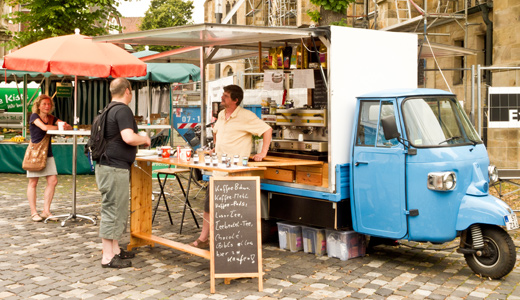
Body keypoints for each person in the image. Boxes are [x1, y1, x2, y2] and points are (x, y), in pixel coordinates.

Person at [190, 84, 273, 249]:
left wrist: (263, 153)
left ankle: (229, 241)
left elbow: (267, 130)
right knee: (209, 204)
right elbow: (217, 132)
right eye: (223, 95)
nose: (222, 98)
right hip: (218, 168)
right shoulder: (221, 114)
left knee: (230, 208)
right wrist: (215, 147)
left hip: (235, 172)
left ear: (235, 100)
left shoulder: (246, 116)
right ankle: (204, 237)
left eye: (226, 96)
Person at [96, 78, 151, 268]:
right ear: (128, 90)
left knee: (115, 208)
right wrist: (144, 138)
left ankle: (115, 250)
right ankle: (108, 257)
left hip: (106, 166)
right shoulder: (123, 110)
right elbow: (128, 138)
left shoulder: (107, 110)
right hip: (114, 167)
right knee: (112, 209)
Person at [27, 94, 72, 222]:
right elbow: (45, 128)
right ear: (38, 106)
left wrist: (66, 126)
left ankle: (46, 211)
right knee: (33, 182)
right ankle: (33, 212)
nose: (47, 106)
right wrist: (60, 127)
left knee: (53, 181)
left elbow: (67, 128)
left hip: (48, 153)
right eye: (44, 104)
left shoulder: (52, 118)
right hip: (35, 153)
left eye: (49, 104)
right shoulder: (34, 116)